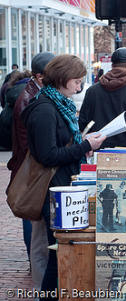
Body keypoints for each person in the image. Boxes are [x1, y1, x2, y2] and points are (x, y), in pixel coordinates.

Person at [22, 54, 106, 300]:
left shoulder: (58, 104)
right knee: (58, 253)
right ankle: (47, 297)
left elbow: (60, 147)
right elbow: (48, 155)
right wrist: (84, 145)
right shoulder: (45, 109)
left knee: (61, 252)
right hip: (54, 189)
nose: (80, 87)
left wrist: (83, 145)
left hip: (63, 185)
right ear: (63, 79)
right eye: (77, 81)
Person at [7, 52, 55, 292]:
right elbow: (36, 146)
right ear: (40, 75)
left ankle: (36, 271)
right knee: (34, 222)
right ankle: (39, 279)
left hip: (31, 168)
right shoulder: (32, 99)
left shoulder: (33, 95)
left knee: (36, 226)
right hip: (33, 172)